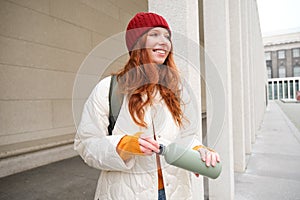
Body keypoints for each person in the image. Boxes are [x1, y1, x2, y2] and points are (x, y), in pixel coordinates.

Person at [74, 12, 220, 200]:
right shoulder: (108, 89)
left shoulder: (176, 90)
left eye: (167, 36)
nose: (164, 41)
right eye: (154, 34)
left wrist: (199, 151)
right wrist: (123, 146)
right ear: (137, 43)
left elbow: (185, 137)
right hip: (126, 193)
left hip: (176, 192)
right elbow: (86, 143)